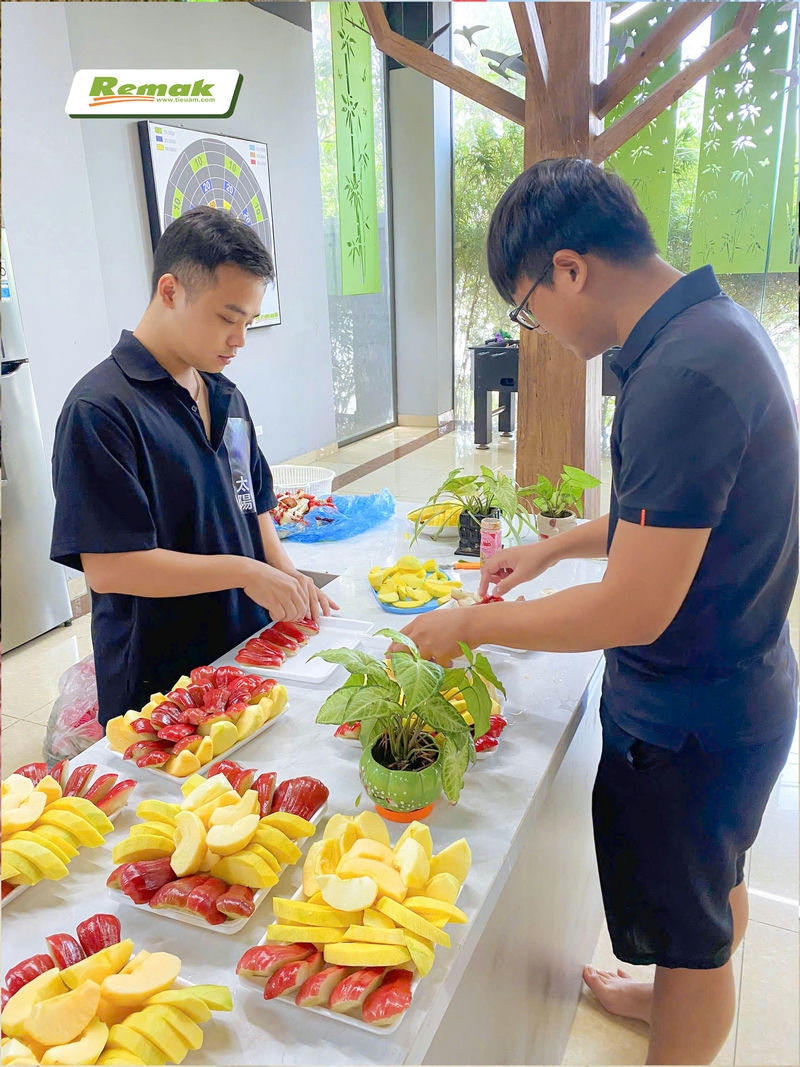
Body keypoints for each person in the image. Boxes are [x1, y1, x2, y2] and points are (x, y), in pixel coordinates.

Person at [394, 158, 798, 1065]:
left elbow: (634, 607)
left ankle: (680, 1012)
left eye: (528, 307)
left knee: (693, 939)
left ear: (570, 268)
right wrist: (553, 547)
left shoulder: (683, 373)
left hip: (693, 721)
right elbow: (672, 515)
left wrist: (469, 624)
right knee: (710, 884)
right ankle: (668, 993)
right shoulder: (710, 329)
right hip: (735, 689)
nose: (537, 331)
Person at [51, 207, 337, 728]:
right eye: (228, 318)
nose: (240, 340)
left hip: (243, 654)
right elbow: (112, 567)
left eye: (248, 322)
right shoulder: (101, 411)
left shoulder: (226, 397)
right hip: (162, 685)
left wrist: (287, 574)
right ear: (170, 291)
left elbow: (253, 505)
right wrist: (245, 572)